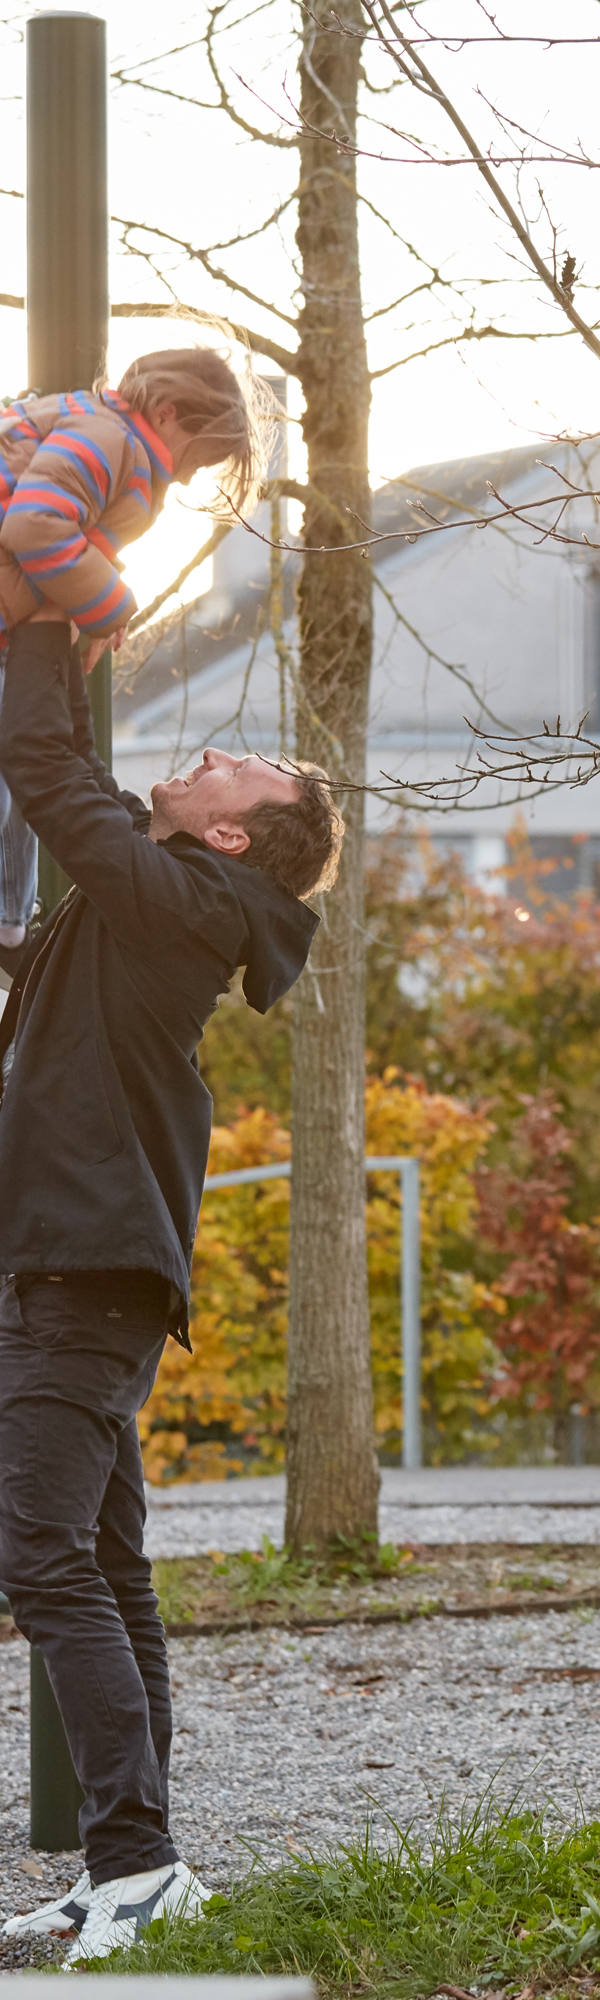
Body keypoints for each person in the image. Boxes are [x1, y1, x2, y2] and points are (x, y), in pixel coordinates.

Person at [0, 620, 343, 1963]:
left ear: (235, 837)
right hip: (79, 1264)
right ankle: (134, 1872)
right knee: (107, 1566)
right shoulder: (168, 899)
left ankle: (135, 1867)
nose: (199, 757)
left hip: (85, 1276)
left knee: (38, 1554)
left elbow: (43, 764)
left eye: (227, 765)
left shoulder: (185, 900)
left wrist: (37, 619)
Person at [0, 343, 266, 984]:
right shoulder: (106, 437)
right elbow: (36, 527)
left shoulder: (115, 445)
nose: (189, 478)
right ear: (170, 413)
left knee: (19, 781)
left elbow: (72, 535)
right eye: (197, 460)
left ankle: (9, 920)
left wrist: (86, 610)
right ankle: (6, 920)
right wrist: (110, 605)